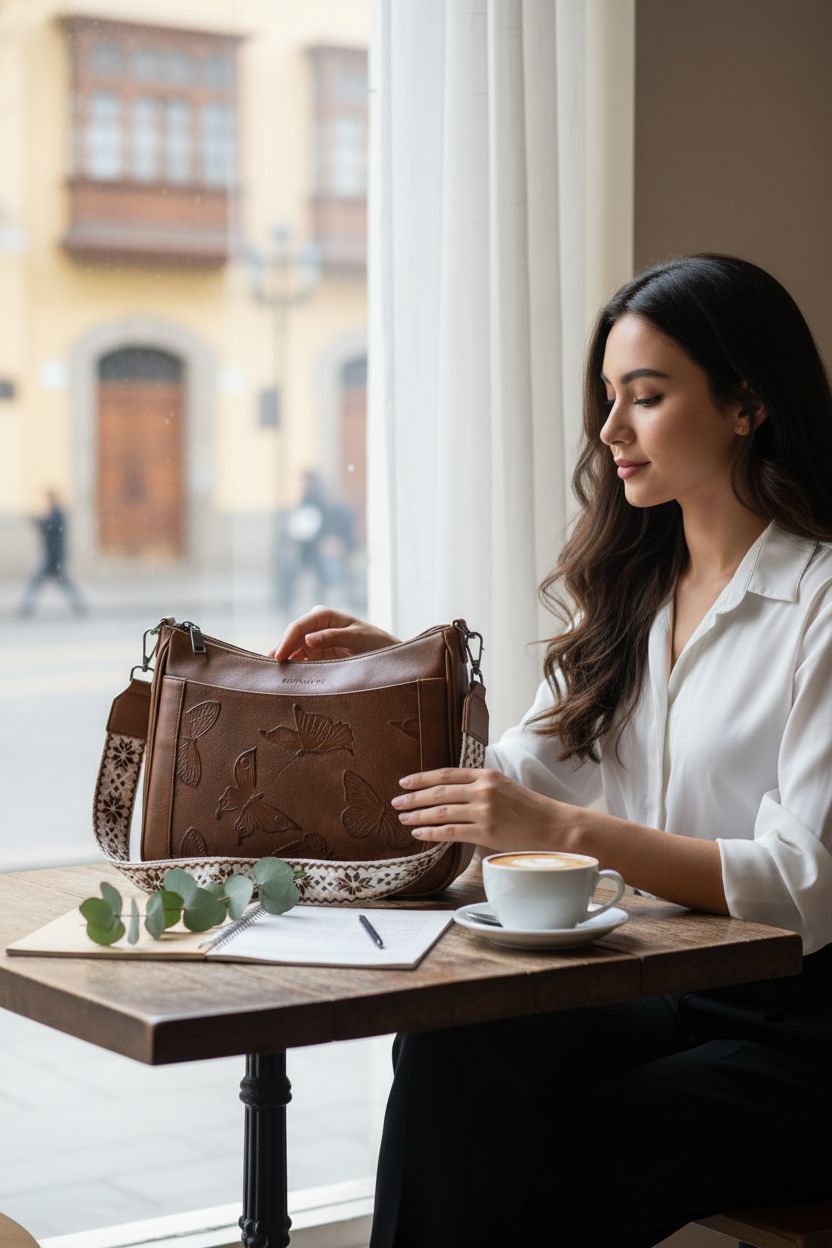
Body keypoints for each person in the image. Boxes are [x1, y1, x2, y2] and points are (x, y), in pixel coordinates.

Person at [270, 255, 832, 1246]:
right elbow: (514, 780)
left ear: (746, 404)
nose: (609, 430)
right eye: (607, 398)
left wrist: (567, 831)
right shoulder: (632, 591)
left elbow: (801, 888)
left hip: (807, 1031)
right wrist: (402, 685)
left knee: (586, 1144)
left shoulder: (819, 602)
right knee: (452, 1046)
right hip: (664, 986)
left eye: (645, 397)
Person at [20, 488, 86, 617]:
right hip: (52, 556)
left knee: (40, 583)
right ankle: (79, 605)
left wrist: (36, 521)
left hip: (54, 557)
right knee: (61, 584)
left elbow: (48, 527)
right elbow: (46, 527)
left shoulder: (58, 514)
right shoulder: (54, 514)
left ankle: (27, 608)